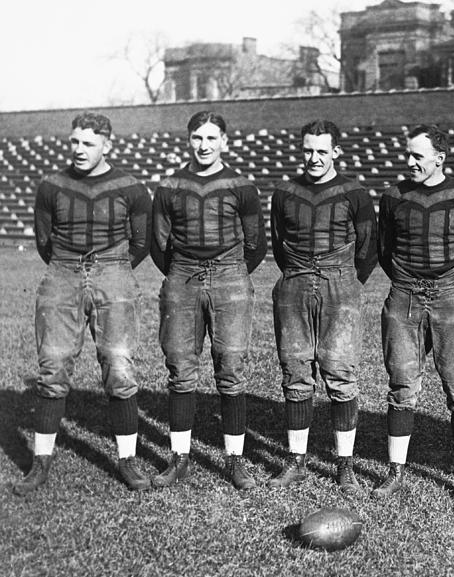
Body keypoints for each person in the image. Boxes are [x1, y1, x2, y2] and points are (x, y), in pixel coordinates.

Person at [12, 112, 153, 495]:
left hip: (113, 273)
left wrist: (112, 270)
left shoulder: (131, 187)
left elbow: (141, 242)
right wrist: (70, 270)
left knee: (119, 366)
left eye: (88, 143)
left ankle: (127, 460)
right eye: (74, 142)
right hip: (62, 273)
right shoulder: (52, 185)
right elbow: (45, 241)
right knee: (53, 365)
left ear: (108, 144)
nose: (79, 149)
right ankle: (40, 463)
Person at [150, 111, 267, 490]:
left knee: (231, 369)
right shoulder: (170, 185)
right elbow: (158, 245)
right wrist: (184, 272)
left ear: (224, 141)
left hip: (230, 277)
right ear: (189, 140)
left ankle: (235, 460)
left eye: (211, 138)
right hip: (182, 277)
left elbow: (256, 245)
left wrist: (227, 272)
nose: (204, 146)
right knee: (181, 370)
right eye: (197, 138)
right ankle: (180, 458)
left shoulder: (241, 186)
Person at [373, 124, 454, 503]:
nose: (410, 163)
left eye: (417, 156)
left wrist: (451, 284)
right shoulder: (394, 196)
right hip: (404, 294)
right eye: (408, 155)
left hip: (452, 296)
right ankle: (396, 471)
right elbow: (383, 249)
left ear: (440, 158)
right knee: (402, 383)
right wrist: (408, 281)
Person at [268, 119, 377, 493]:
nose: (314, 158)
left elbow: (368, 248)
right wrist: (300, 276)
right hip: (295, 281)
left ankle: (344, 464)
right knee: (296, 371)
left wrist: (344, 282)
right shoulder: (285, 192)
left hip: (340, 284)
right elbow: (279, 243)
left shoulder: (355, 193)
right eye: (308, 150)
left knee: (339, 371)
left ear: (336, 152)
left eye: (321, 151)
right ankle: (297, 460)